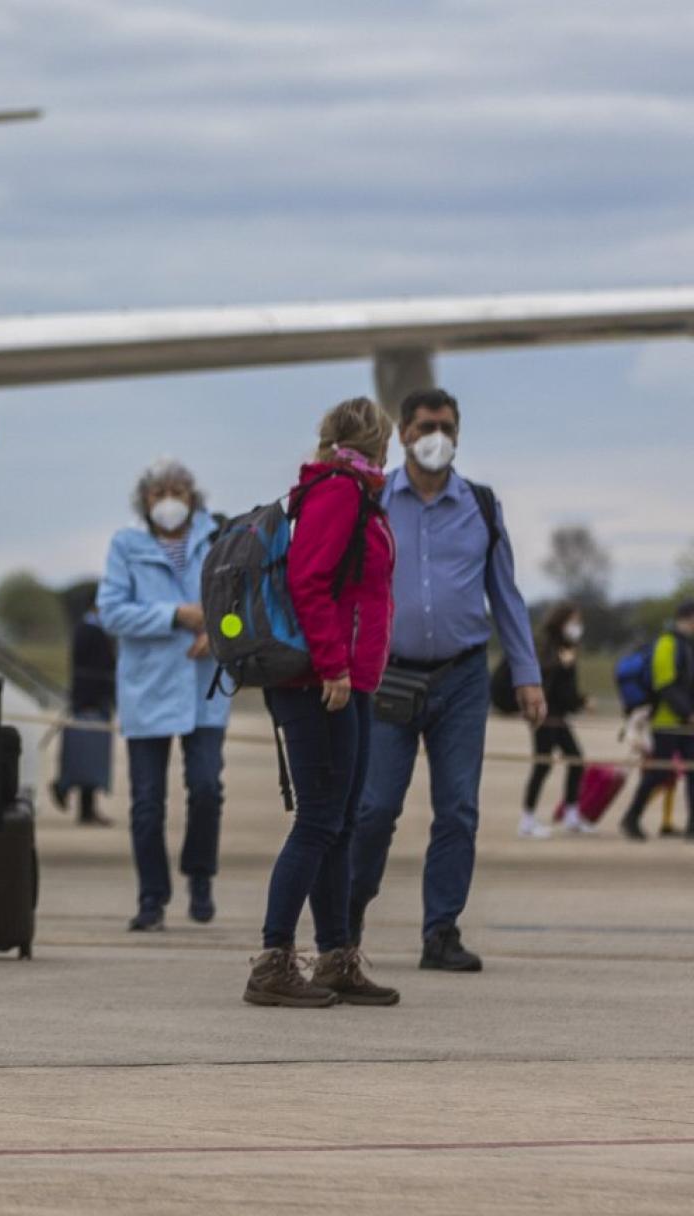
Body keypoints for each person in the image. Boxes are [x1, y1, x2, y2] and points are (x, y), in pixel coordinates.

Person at [349, 388, 544, 974]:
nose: (439, 436)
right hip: (387, 675)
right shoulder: (373, 501)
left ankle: (441, 932)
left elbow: (505, 594)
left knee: (457, 808)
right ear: (404, 433)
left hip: (461, 677)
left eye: (449, 427)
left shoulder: (480, 505)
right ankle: (345, 922)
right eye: (428, 425)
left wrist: (527, 674)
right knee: (375, 808)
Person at [245, 398, 400, 1008]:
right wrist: (333, 664)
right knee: (317, 820)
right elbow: (310, 580)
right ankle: (273, 961)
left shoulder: (356, 493)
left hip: (350, 682)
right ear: (375, 440)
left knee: (340, 824)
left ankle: (337, 956)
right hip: (321, 684)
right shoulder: (338, 492)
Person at [95, 459, 228, 931]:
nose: (169, 500)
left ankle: (200, 874)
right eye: (159, 493)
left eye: (178, 490)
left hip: (204, 686)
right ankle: (152, 897)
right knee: (148, 801)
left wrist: (217, 630)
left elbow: (242, 604)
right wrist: (176, 616)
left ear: (194, 496)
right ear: (144, 501)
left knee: (208, 787)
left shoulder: (218, 538)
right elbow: (112, 612)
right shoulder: (126, 546)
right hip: (148, 688)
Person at [617, 602, 694, 840]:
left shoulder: (687, 646)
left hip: (686, 723)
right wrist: (688, 713)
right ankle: (631, 818)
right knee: (659, 773)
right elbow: (665, 685)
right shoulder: (667, 644)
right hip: (666, 721)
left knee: (692, 772)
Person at [523, 604, 591, 837]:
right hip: (544, 714)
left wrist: (580, 701)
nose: (577, 627)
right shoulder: (546, 645)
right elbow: (539, 676)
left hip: (559, 714)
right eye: (573, 621)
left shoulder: (568, 647)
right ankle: (527, 820)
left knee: (576, 760)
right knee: (543, 763)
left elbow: (565, 689)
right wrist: (561, 664)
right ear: (561, 621)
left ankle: (571, 814)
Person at [53, 591, 116, 827]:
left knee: (91, 757)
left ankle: (87, 809)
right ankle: (64, 787)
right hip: (90, 700)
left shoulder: (91, 628)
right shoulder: (90, 630)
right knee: (86, 755)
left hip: (93, 699)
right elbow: (90, 669)